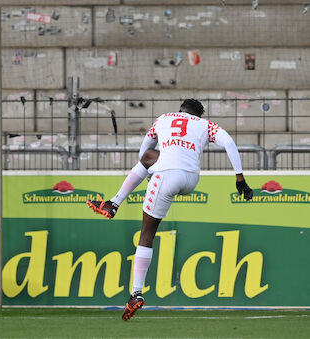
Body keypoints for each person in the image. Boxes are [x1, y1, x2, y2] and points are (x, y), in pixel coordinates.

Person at [87, 99, 253, 321]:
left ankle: (135, 293)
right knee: (149, 161)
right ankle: (113, 203)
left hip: (166, 176)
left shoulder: (163, 119)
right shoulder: (205, 126)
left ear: (180, 110)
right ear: (199, 115)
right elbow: (229, 143)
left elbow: (144, 150)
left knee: (146, 234)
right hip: (191, 178)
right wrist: (239, 177)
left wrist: (151, 172)